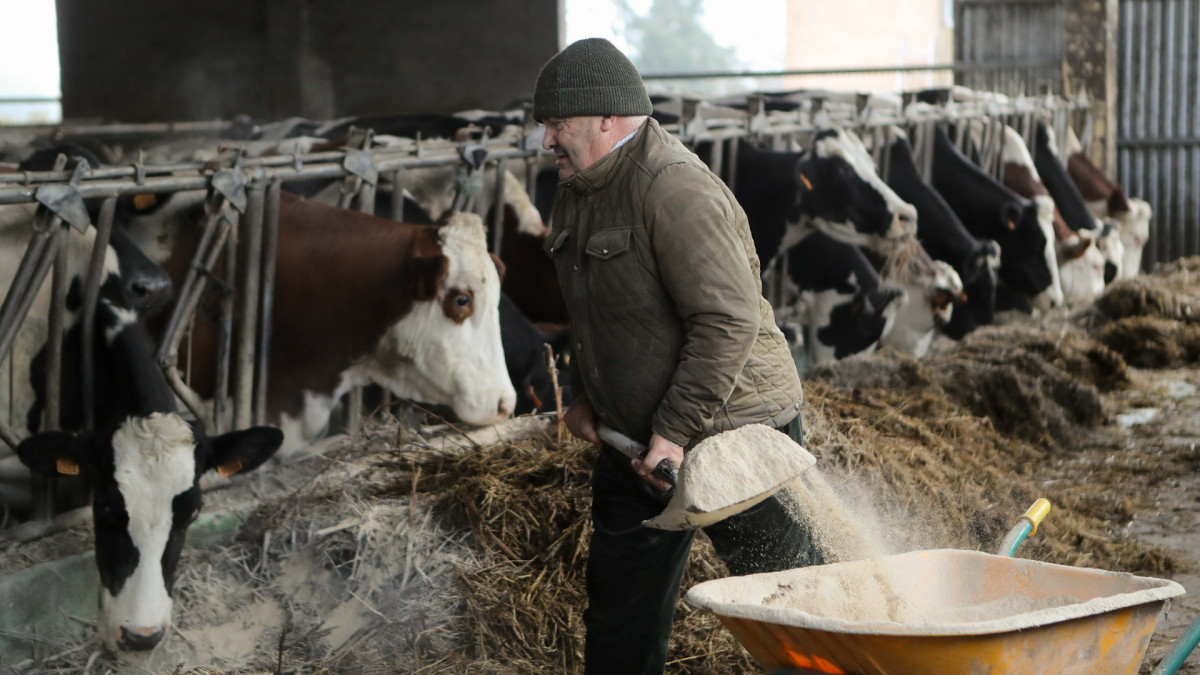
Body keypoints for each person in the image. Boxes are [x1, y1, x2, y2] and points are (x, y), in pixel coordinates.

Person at [533, 37, 824, 675]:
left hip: (732, 428)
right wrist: (589, 394)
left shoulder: (673, 189)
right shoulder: (580, 188)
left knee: (791, 603)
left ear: (606, 118)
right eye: (546, 126)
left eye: (558, 125)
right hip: (633, 440)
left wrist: (673, 430)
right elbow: (598, 309)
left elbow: (727, 320)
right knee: (619, 613)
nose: (547, 141)